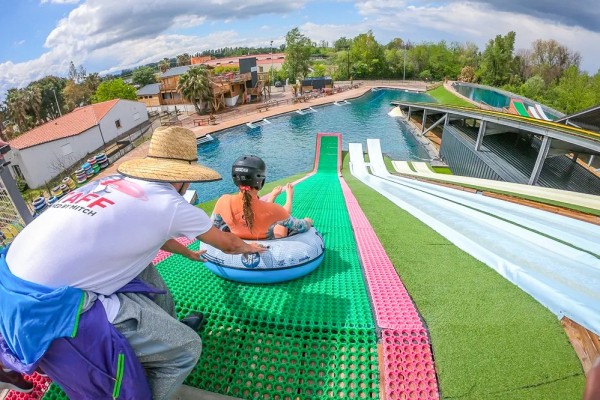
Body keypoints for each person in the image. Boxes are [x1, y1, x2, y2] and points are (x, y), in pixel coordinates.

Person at [0, 126, 265, 400]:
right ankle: (159, 367)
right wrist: (252, 247)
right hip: (54, 309)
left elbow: (152, 236)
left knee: (143, 264)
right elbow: (227, 243)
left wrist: (188, 254)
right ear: (184, 179)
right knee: (187, 349)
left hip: (8, 287)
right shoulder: (171, 204)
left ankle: (162, 335)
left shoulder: (112, 183)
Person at [212, 155, 313, 240]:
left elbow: (212, 228)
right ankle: (289, 196)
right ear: (261, 181)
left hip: (240, 245)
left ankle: (272, 197)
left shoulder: (223, 201)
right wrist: (308, 221)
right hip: (267, 247)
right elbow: (300, 226)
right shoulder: (273, 210)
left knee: (273, 213)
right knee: (280, 222)